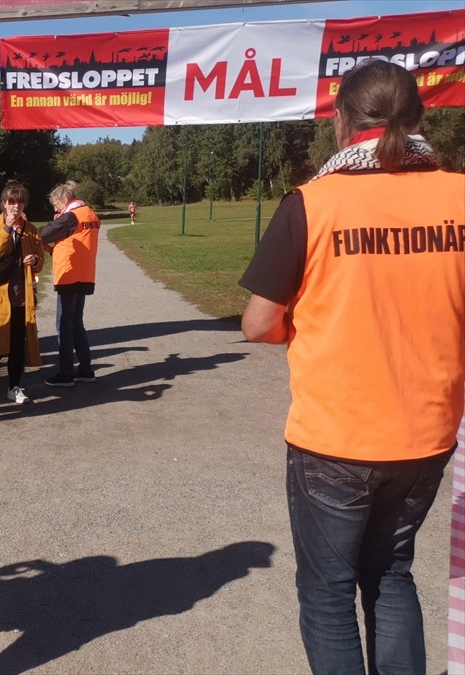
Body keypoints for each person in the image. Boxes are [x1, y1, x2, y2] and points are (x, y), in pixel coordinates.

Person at [239, 59, 464, 675]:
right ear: (419, 117)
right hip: (426, 434)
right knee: (391, 574)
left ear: (341, 123)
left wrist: (313, 326)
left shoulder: (313, 203)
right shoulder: (458, 194)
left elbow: (258, 323)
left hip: (335, 437)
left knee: (328, 592)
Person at [0, 180, 44, 405]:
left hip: (21, 295)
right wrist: (7, 229)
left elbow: (41, 259)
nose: (16, 206)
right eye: (11, 202)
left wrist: (35, 260)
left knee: (17, 344)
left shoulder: (30, 230)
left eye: (20, 203)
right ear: (4, 203)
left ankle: (14, 387)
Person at [40, 180, 99, 387]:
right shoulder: (90, 213)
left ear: (64, 199)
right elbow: (72, 241)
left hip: (69, 274)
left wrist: (26, 232)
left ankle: (66, 373)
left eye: (56, 205)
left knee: (64, 324)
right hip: (85, 274)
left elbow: (44, 234)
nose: (55, 209)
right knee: (76, 322)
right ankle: (85, 369)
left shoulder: (70, 217)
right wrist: (51, 249)